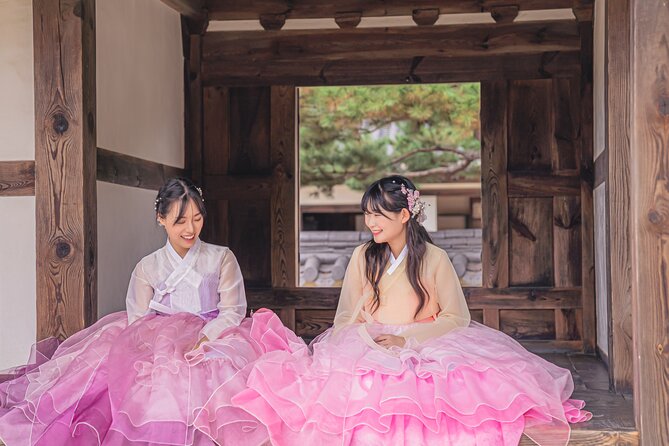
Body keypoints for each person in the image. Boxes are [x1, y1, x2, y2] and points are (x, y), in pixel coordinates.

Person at [232, 175, 591, 446]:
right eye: (367, 215)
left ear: (404, 215)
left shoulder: (435, 258)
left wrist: (406, 340)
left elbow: (457, 317)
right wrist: (362, 341)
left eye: (378, 215)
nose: (370, 223)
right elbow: (345, 316)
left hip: (426, 341)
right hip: (370, 341)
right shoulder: (362, 256)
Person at [0, 177, 305, 446]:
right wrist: (157, 349)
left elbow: (233, 310)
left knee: (219, 377)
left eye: (197, 219)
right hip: (156, 339)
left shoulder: (221, 258)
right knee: (127, 384)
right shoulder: (148, 266)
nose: (190, 229)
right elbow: (137, 319)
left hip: (214, 334)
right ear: (161, 219)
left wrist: (205, 337)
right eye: (180, 221)